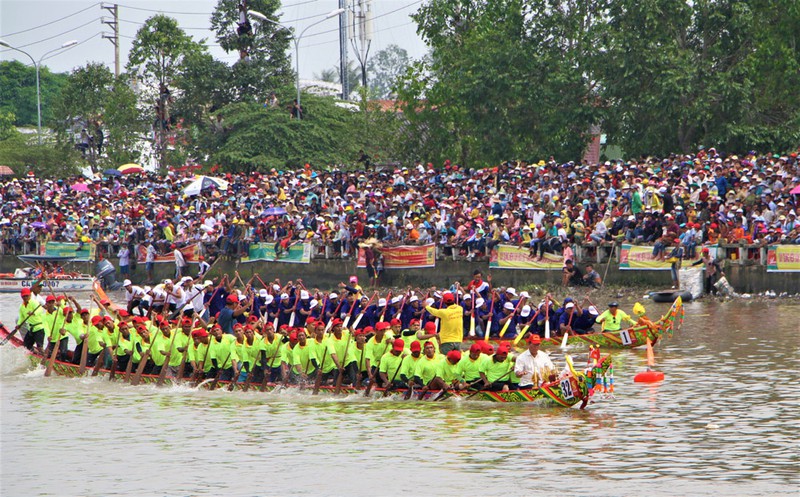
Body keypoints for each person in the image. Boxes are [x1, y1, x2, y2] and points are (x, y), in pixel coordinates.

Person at [17, 288, 44, 352]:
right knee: (26, 346)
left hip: (39, 328)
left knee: (40, 347)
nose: (25, 297)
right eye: (24, 296)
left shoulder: (34, 303)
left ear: (30, 295)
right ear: (21, 297)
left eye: (27, 296)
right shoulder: (22, 306)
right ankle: (35, 353)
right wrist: (18, 324)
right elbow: (21, 317)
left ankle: (42, 356)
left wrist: (33, 313)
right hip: (30, 329)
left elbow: (40, 310)